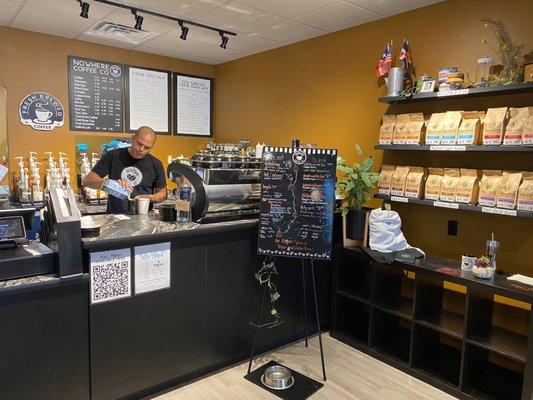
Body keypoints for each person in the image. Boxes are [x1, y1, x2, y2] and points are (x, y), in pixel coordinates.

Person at [83, 126, 167, 214]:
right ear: (133, 138)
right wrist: (110, 183)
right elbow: (87, 181)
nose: (141, 149)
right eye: (139, 143)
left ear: (152, 147)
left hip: (143, 217)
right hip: (115, 217)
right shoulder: (113, 156)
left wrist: (148, 198)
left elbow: (162, 193)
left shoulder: (156, 164)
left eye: (147, 148)